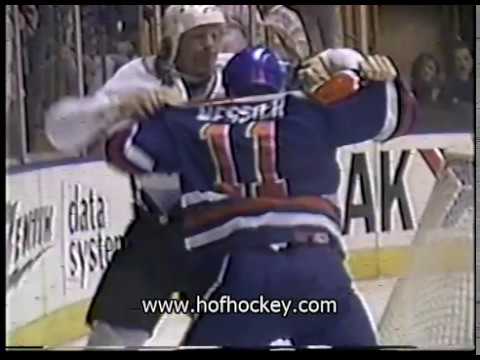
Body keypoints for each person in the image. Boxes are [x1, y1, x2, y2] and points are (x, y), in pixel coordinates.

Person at [102, 47, 417, 348]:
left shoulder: (194, 120)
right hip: (318, 269)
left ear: (227, 87)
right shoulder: (310, 111)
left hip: (240, 273)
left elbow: (125, 152)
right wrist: (379, 78)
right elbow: (396, 118)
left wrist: (147, 111)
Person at [46, 5, 230, 347]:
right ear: (172, 43)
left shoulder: (238, 73)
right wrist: (118, 107)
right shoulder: (137, 77)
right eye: (198, 37)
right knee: (110, 341)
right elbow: (60, 131)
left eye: (216, 35)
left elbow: (312, 76)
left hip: (221, 231)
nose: (210, 45)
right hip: (158, 233)